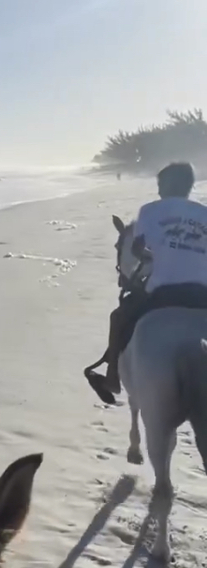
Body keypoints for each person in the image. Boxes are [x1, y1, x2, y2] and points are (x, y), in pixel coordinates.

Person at [86, 161, 207, 403]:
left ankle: (112, 379)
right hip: (203, 295)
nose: (160, 190)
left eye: (161, 184)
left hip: (163, 293)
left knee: (118, 318)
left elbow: (140, 249)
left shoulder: (151, 210)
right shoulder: (204, 213)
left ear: (169, 185)